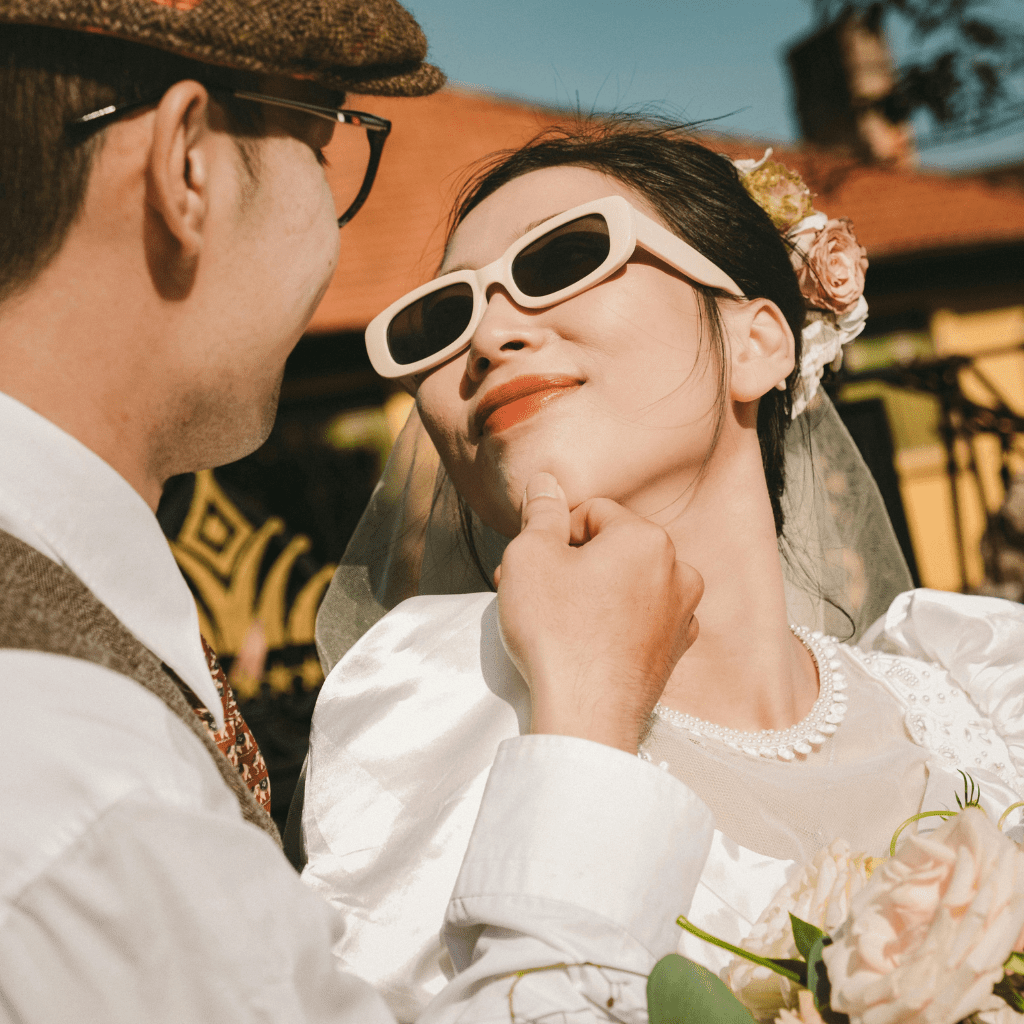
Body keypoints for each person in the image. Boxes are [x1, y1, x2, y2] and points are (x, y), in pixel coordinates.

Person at [0, 8, 718, 1020]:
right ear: (186, 166)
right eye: (324, 139)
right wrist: (587, 733)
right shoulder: (75, 763)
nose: (494, 336)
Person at [300, 119, 1024, 1020]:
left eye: (563, 258)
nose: (486, 336)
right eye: (440, 320)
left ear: (759, 343)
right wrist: (583, 725)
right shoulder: (433, 707)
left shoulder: (982, 686)